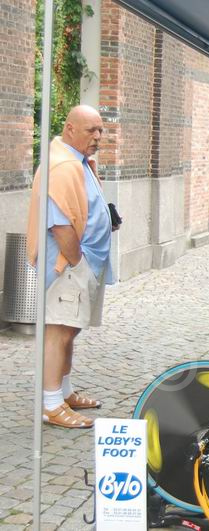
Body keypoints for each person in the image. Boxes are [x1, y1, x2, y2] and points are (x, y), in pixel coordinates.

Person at [26, 105, 118, 429]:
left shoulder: (78, 162)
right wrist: (78, 263)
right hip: (67, 266)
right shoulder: (62, 166)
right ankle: (51, 404)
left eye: (100, 130)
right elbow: (60, 225)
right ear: (70, 129)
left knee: (70, 330)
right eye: (91, 130)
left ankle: (63, 393)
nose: (98, 136)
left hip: (83, 262)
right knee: (58, 331)